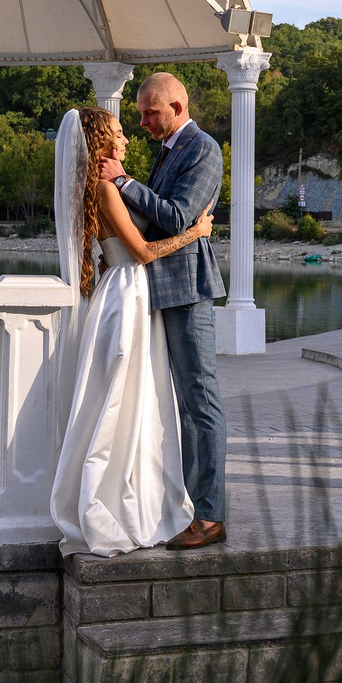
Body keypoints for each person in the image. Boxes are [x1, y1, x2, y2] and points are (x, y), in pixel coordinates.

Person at [47, 106, 216, 557]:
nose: (126, 140)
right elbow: (140, 251)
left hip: (124, 291)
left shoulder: (97, 186)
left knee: (136, 398)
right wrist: (196, 231)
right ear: (100, 141)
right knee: (126, 397)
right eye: (119, 133)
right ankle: (118, 499)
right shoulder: (105, 187)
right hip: (128, 294)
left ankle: (135, 492)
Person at [97, 72, 231, 549]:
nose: (142, 120)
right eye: (140, 112)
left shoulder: (203, 149)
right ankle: (179, 506)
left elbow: (175, 216)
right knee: (169, 403)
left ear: (177, 106)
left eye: (150, 112)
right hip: (154, 288)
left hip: (187, 289)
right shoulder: (169, 150)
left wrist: (123, 180)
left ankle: (211, 518)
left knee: (200, 401)